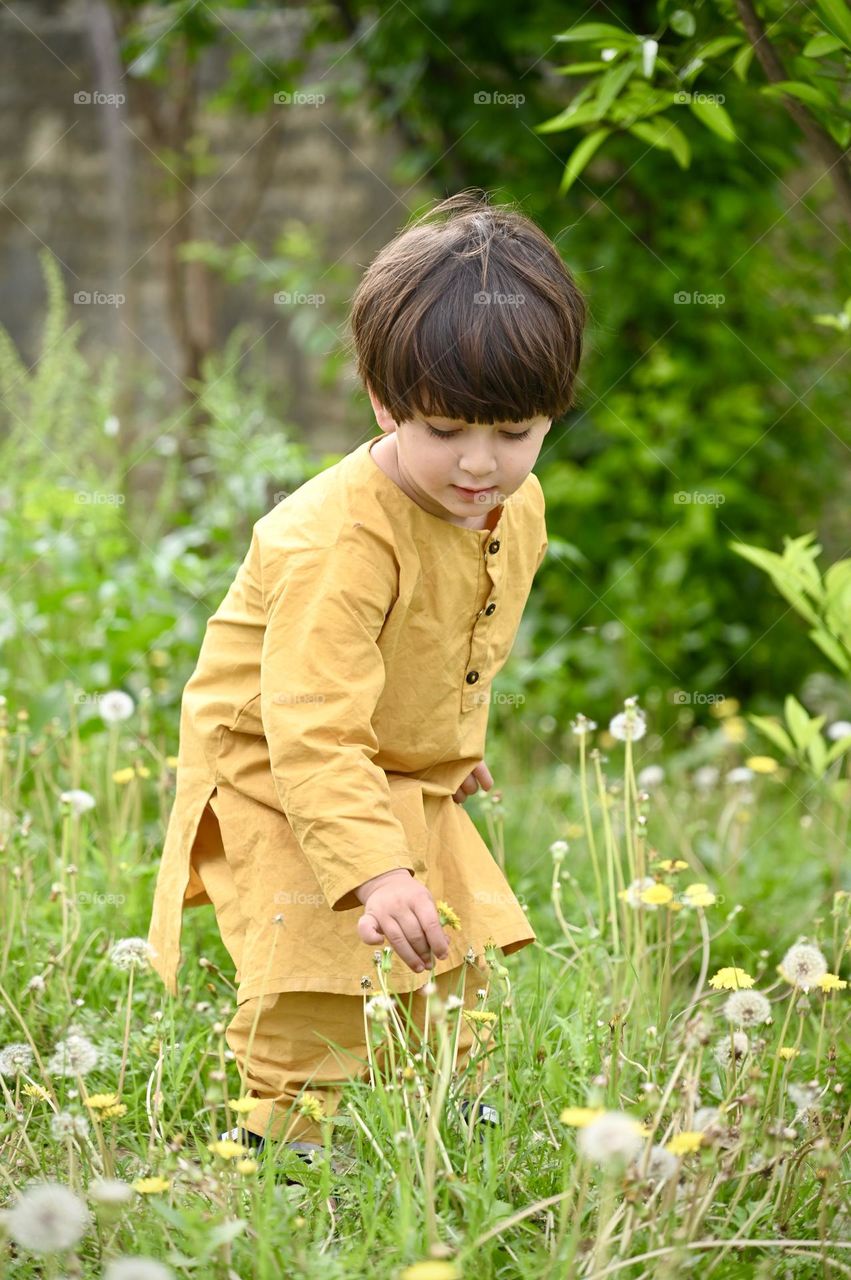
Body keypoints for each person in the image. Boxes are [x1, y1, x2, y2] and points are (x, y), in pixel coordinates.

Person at [146, 188, 586, 1161]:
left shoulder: (518, 509)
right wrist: (374, 863)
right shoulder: (333, 540)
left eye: (512, 433)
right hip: (275, 763)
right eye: (444, 430)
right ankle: (285, 1142)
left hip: (383, 754)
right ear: (385, 405)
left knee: (451, 935)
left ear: (549, 414)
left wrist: (448, 746)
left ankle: (438, 1102)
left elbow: (457, 638)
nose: (479, 463)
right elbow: (307, 723)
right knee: (317, 959)